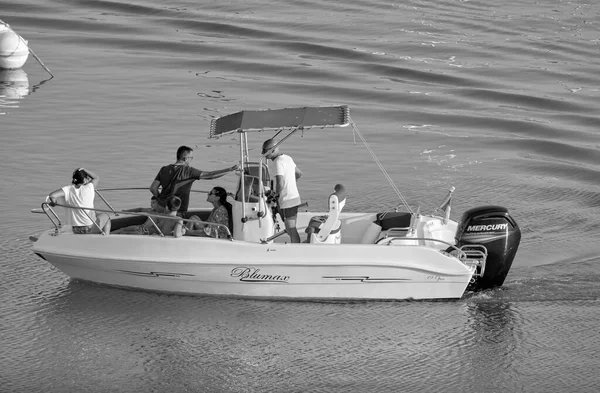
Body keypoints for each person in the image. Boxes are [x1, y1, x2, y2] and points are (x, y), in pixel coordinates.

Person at [150, 145, 239, 215]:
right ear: (185, 158)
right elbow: (210, 175)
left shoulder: (164, 169)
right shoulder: (189, 171)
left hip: (160, 206)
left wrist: (161, 199)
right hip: (176, 210)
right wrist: (230, 169)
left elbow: (153, 188)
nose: (191, 160)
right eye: (191, 158)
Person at [262, 138, 303, 243]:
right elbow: (299, 174)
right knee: (290, 228)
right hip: (295, 198)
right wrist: (291, 184)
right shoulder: (288, 158)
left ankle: (297, 250)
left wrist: (274, 195)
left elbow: (280, 183)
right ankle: (295, 246)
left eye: (265, 150)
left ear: (273, 149)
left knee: (291, 229)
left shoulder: (277, 162)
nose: (263, 153)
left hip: (287, 200)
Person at [48, 168, 111, 235]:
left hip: (75, 229)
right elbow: (96, 177)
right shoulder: (89, 187)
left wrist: (54, 203)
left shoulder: (68, 189)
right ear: (84, 179)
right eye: (87, 178)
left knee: (95, 214)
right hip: (89, 229)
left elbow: (52, 195)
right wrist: (84, 169)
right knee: (106, 217)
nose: (89, 179)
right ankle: (106, 237)